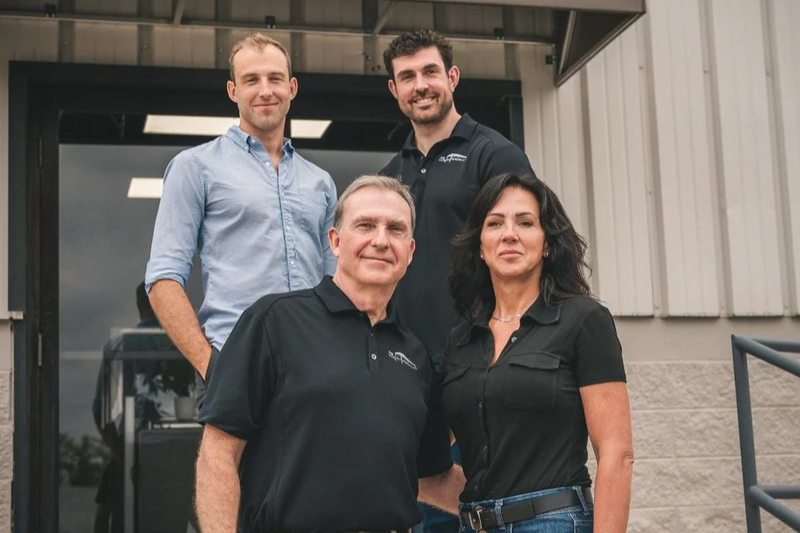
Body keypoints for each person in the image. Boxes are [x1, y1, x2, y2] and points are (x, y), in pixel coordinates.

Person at [196, 176, 465, 533]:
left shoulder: (414, 357)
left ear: (410, 252)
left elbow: (432, 475)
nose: (381, 240)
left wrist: (523, 504)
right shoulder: (275, 321)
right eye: (365, 225)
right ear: (335, 242)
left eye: (395, 229)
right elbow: (219, 452)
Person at [380, 29, 534, 533]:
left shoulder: (495, 156)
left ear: (452, 77)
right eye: (407, 77)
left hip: (478, 369)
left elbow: (527, 259)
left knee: (492, 509)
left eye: (429, 73)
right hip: (408, 373)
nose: (420, 85)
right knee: (425, 517)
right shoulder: (390, 174)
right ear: (394, 90)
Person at [145, 33, 337, 402]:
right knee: (226, 464)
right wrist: (211, 365)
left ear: (292, 87)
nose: (265, 90)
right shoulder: (196, 167)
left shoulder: (321, 183)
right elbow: (162, 279)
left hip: (316, 368)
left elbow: (337, 284)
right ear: (233, 90)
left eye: (275, 78)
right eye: (251, 80)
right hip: (236, 366)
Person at [443, 173, 634, 533]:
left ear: (547, 243)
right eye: (495, 223)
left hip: (553, 522)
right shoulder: (461, 340)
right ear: (480, 246)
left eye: (525, 222)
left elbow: (616, 455)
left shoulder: (583, 321)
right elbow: (428, 455)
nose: (509, 233)